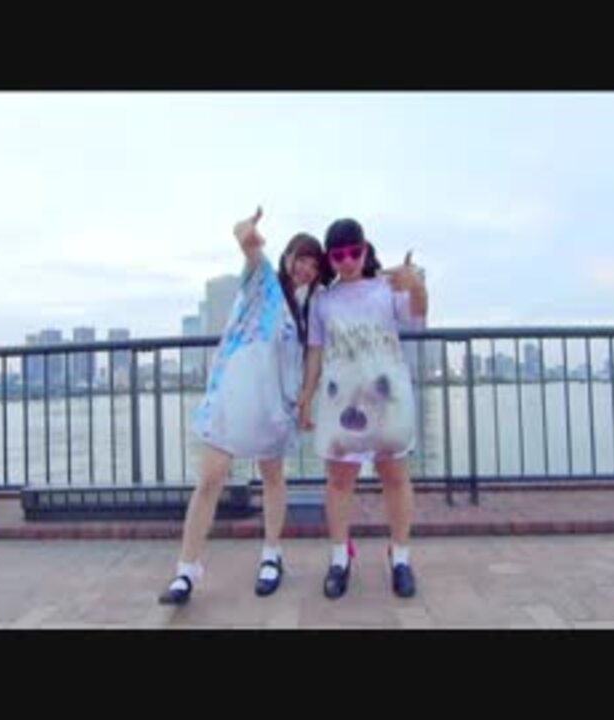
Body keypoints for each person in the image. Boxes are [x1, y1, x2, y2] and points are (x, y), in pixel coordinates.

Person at [159, 207, 332, 605]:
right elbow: (246, 243)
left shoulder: (306, 310)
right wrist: (247, 232)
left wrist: (304, 401)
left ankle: (272, 554)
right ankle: (186, 570)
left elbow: (311, 358)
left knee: (273, 477)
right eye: (301, 258)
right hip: (232, 396)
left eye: (313, 265)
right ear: (288, 256)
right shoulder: (263, 279)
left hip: (274, 404)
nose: (305, 269)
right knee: (210, 478)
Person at [298, 217, 427, 599]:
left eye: (354, 252)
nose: (347, 261)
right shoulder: (322, 301)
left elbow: (418, 322)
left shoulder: (388, 287)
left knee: (396, 478)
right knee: (339, 482)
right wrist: (306, 396)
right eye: (338, 255)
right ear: (329, 259)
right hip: (341, 402)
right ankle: (340, 558)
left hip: (388, 400)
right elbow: (315, 352)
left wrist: (416, 285)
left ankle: (400, 557)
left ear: (365, 250)